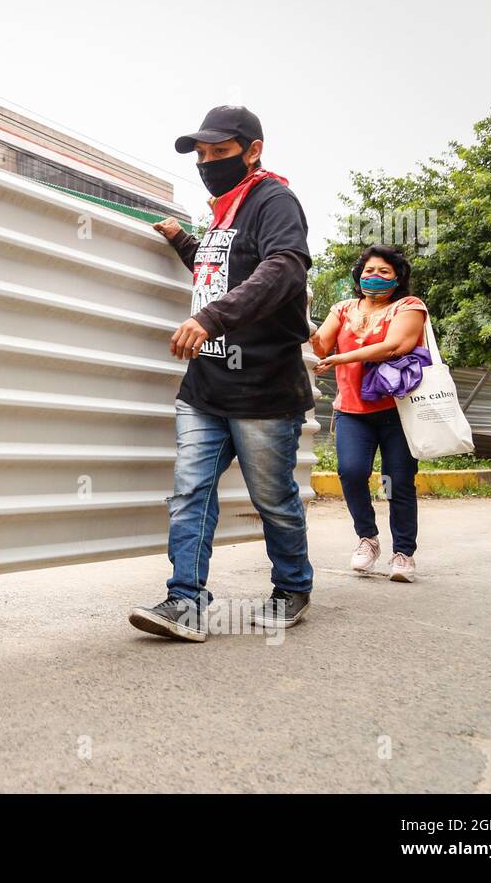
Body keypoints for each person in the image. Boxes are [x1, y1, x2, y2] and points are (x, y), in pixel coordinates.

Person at [128, 106, 315, 642]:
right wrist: (185, 243)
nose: (208, 163)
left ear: (252, 150)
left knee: (272, 499)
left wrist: (209, 319)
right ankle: (184, 601)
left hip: (263, 388)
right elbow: (224, 272)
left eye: (219, 153)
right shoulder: (223, 212)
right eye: (202, 156)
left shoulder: (274, 201)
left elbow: (282, 268)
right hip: (205, 388)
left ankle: (293, 586)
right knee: (190, 492)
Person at [310, 245, 427, 583]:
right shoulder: (343, 308)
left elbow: (395, 346)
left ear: (398, 278)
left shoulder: (409, 306)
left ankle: (404, 552)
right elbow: (320, 345)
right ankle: (368, 538)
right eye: (368, 271)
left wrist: (341, 359)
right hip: (352, 410)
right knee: (350, 472)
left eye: (384, 272)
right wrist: (300, 316)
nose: (374, 277)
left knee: (398, 483)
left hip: (398, 411)